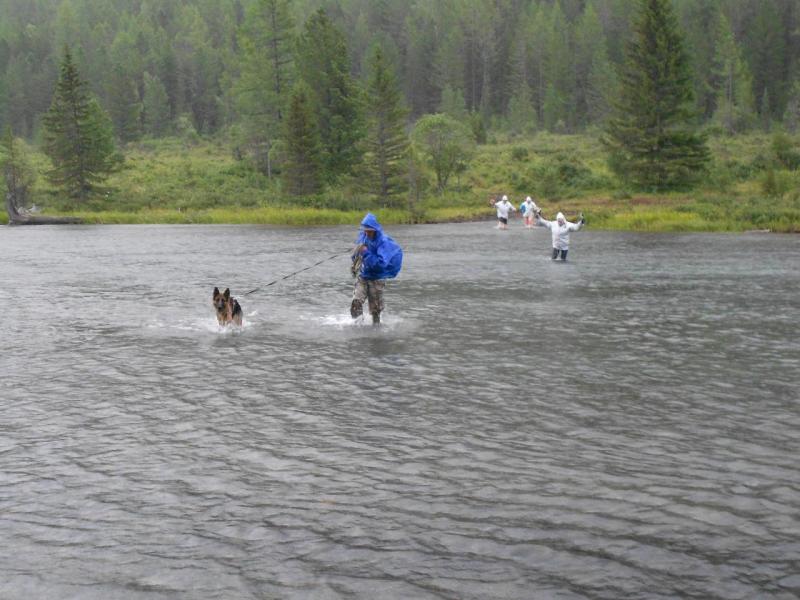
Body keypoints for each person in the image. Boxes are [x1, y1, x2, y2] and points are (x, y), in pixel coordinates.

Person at [350, 213, 403, 324]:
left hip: (377, 279)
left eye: (369, 230)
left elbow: (380, 264)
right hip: (363, 276)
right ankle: (357, 327)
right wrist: (356, 257)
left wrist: (365, 252)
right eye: (365, 230)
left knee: (375, 312)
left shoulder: (383, 242)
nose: (367, 232)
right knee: (356, 304)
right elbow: (355, 254)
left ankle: (376, 331)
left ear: (375, 230)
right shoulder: (363, 236)